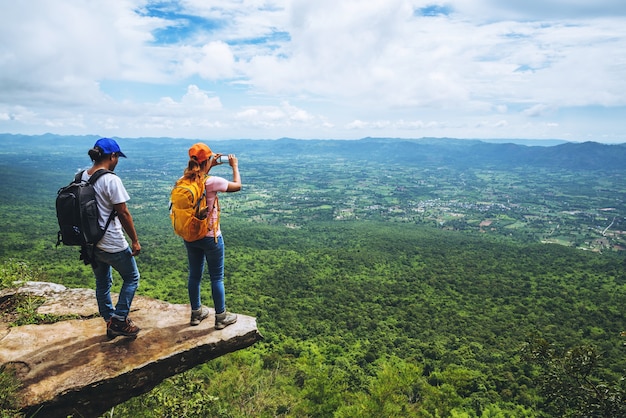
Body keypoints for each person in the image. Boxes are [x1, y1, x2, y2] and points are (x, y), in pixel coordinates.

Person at [178, 142, 241, 329]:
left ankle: (196, 313)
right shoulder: (212, 182)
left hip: (191, 235)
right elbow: (237, 186)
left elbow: (198, 173)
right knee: (216, 278)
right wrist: (234, 166)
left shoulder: (184, 180)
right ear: (207, 161)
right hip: (211, 237)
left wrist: (208, 165)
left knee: (194, 275)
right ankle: (221, 317)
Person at [83, 138, 141, 338]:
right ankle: (118, 319)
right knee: (132, 277)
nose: (117, 161)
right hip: (112, 243)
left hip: (90, 243)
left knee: (102, 283)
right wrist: (134, 240)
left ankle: (109, 320)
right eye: (117, 157)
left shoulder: (82, 175)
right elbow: (123, 213)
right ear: (112, 156)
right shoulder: (111, 179)